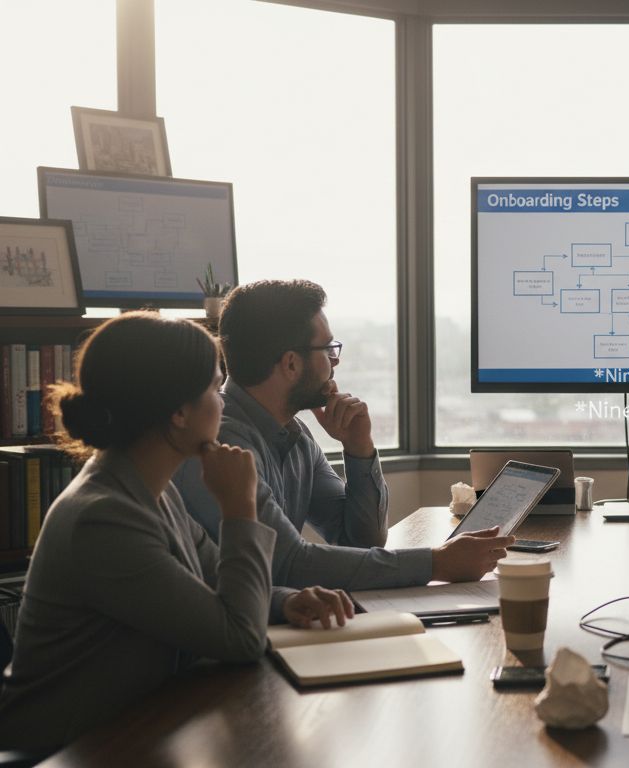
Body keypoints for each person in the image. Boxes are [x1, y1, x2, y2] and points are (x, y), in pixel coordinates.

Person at [0, 312, 352, 752]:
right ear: (179, 412)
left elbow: (211, 582)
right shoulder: (103, 518)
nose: (223, 402)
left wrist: (289, 601)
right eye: (213, 387)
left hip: (136, 732)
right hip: (66, 752)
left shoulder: (150, 491)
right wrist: (239, 509)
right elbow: (238, 639)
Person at [173, 279, 512, 591]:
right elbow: (287, 565)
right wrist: (437, 563)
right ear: (291, 363)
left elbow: (361, 542)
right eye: (328, 350)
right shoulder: (219, 444)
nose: (336, 363)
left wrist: (358, 449)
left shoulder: (295, 435)